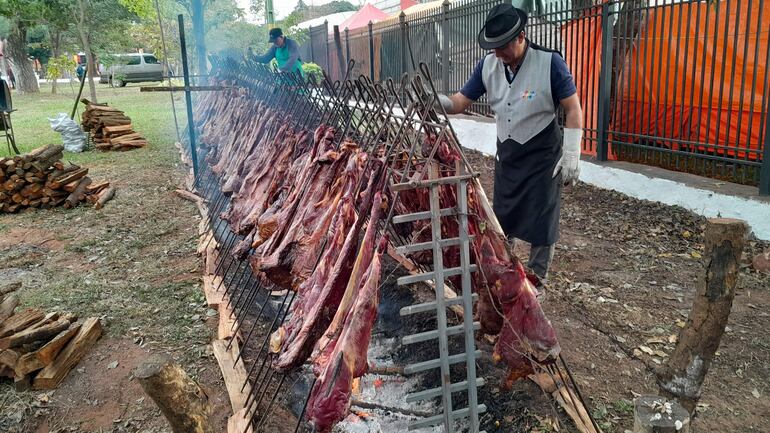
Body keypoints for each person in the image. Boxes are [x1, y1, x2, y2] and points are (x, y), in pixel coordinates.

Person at [433, 5, 583, 281]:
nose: (498, 53)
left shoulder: (550, 63)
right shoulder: (489, 65)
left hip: (542, 156)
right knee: (503, 220)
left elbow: (573, 108)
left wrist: (573, 152)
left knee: (542, 222)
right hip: (509, 155)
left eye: (503, 46)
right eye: (494, 47)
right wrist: (437, 101)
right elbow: (459, 102)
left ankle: (537, 282)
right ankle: (506, 274)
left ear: (521, 37)